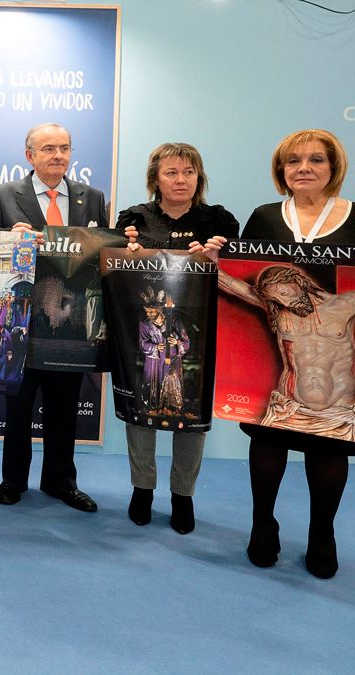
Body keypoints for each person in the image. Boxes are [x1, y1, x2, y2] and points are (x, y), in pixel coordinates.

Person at [222, 129, 354, 579]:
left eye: (316, 160)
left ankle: (323, 533)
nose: (304, 168)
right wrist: (214, 256)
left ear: (333, 168)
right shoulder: (263, 217)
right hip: (282, 369)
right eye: (293, 161)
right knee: (268, 444)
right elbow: (238, 275)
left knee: (329, 452)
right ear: (282, 170)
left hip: (339, 374)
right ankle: (263, 525)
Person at [117, 142, 240, 533]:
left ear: (199, 177)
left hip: (196, 337)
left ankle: (183, 494)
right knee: (142, 409)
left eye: (189, 172)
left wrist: (219, 257)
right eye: (171, 172)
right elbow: (116, 274)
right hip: (144, 334)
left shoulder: (219, 222)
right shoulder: (133, 218)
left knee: (191, 411)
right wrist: (127, 251)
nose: (181, 179)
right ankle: (143, 488)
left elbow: (237, 282)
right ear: (156, 178)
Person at [0, 122, 108, 512]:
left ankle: (60, 481)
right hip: (22, 318)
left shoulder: (92, 198)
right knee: (18, 408)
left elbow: (102, 252)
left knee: (64, 406)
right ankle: (13, 480)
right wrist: (9, 237)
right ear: (30, 156)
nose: (58, 155)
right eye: (49, 148)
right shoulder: (4, 197)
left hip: (71, 324)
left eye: (65, 148)